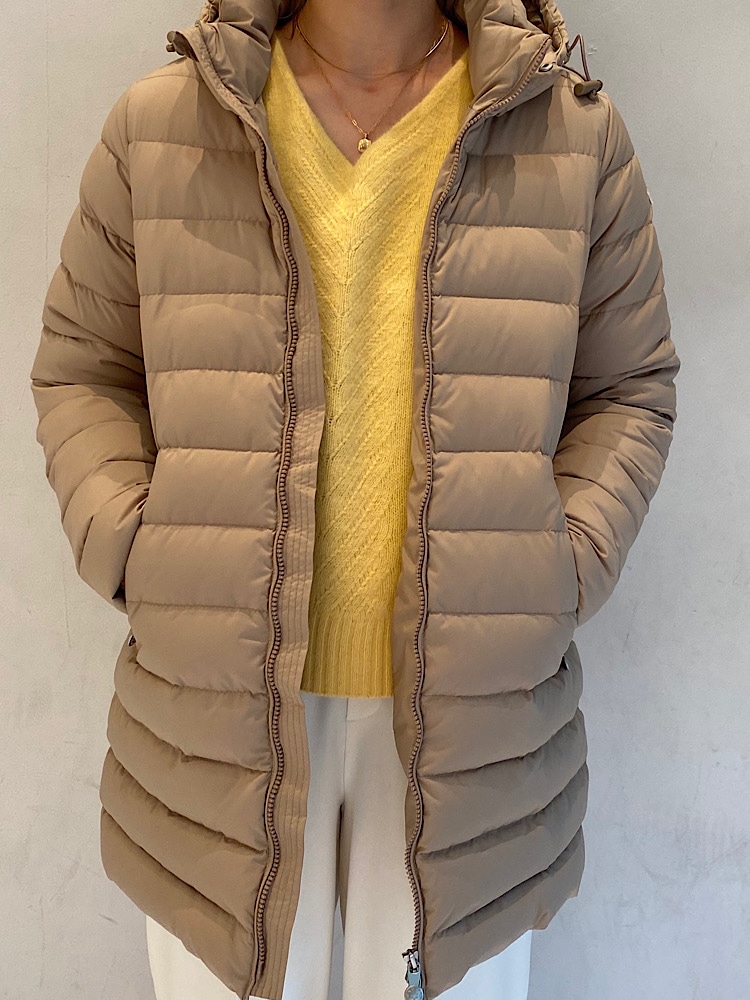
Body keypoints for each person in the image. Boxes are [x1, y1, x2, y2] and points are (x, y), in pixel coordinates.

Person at [28, 0, 680, 998]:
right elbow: (84, 368)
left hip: (471, 724)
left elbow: (628, 388)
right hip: (218, 711)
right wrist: (136, 548)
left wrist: (558, 571)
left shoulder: (568, 133)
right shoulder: (167, 122)